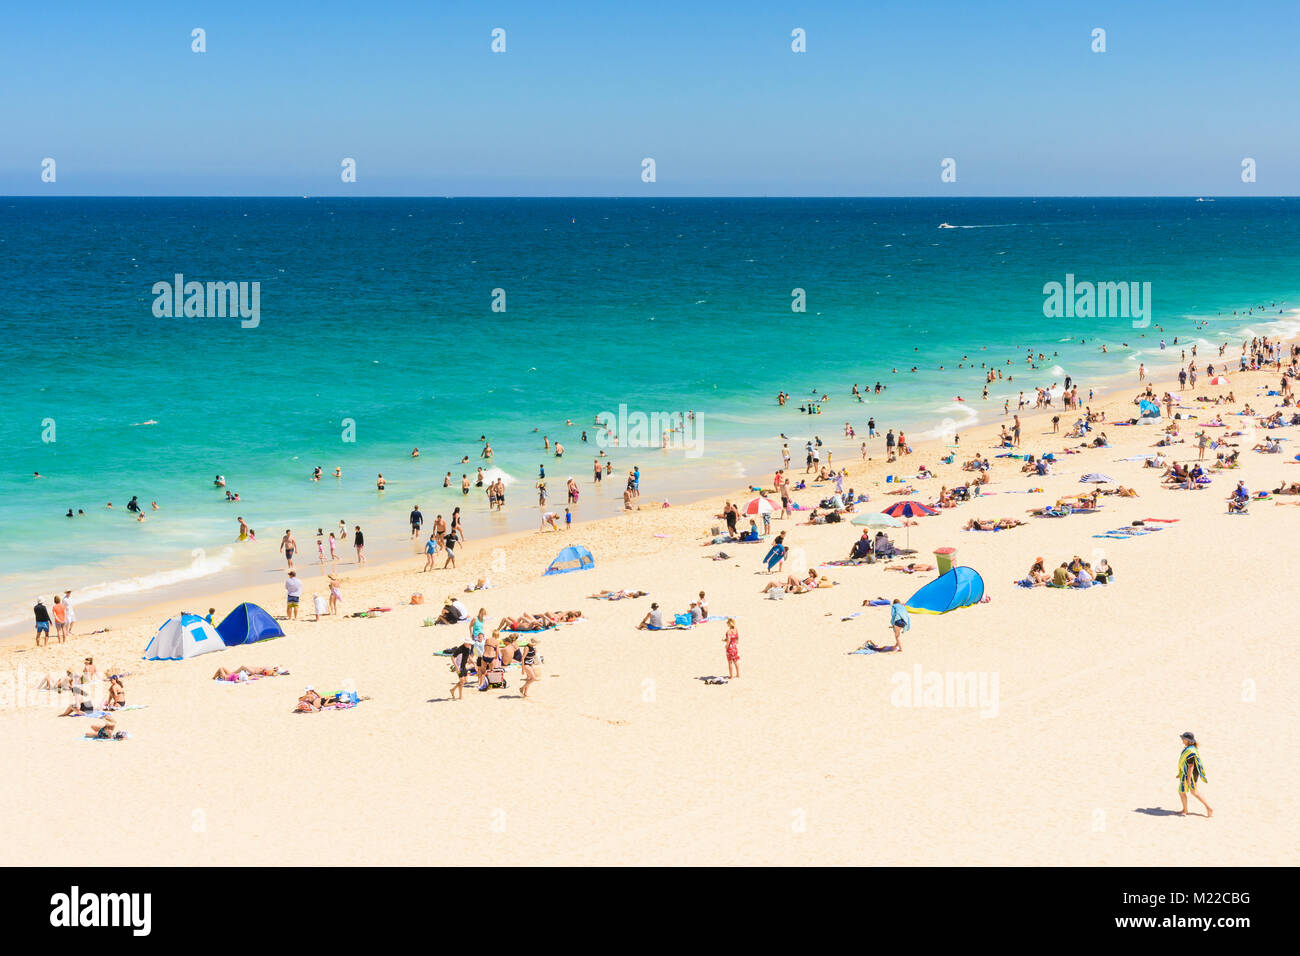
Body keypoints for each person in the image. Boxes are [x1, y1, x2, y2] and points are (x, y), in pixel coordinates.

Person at [1177, 731, 1213, 817]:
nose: (1182, 740)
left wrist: (1189, 779)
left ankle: (1209, 808)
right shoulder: (1190, 748)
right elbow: (1184, 763)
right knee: (1183, 791)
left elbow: (1190, 766)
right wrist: (1180, 772)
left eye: (1183, 738)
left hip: (1190, 774)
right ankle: (1185, 810)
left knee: (1193, 792)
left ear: (1187, 740)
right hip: (1187, 773)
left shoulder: (1190, 751)